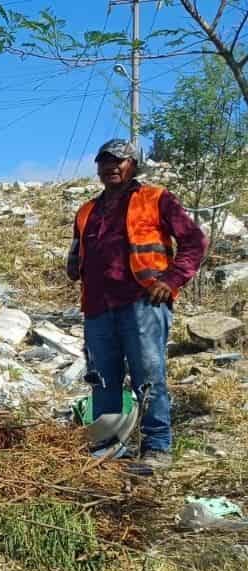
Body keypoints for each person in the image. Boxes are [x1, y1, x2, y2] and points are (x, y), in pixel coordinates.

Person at [67, 138, 209, 475]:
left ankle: (157, 448)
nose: (110, 167)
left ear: (134, 165)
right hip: (98, 306)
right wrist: (74, 264)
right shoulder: (87, 210)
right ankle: (108, 448)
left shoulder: (156, 198)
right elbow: (75, 252)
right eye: (104, 161)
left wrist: (172, 280)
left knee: (148, 377)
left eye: (119, 161)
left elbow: (195, 241)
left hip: (143, 302)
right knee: (102, 380)